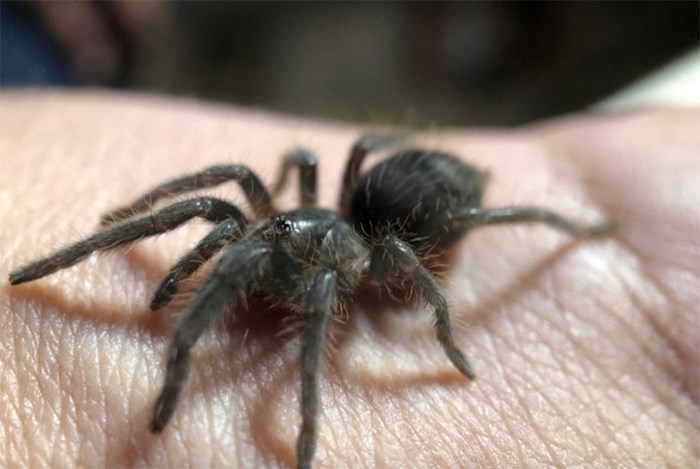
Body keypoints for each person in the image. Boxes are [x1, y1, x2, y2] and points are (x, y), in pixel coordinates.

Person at [1, 90, 697, 467]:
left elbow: (361, 247)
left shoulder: (353, 266)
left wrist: (446, 332)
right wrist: (132, 219)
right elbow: (235, 209)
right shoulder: (264, 224)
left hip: (389, 226)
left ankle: (298, 432)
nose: (244, 241)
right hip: (360, 214)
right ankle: (61, 262)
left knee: (336, 260)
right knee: (223, 195)